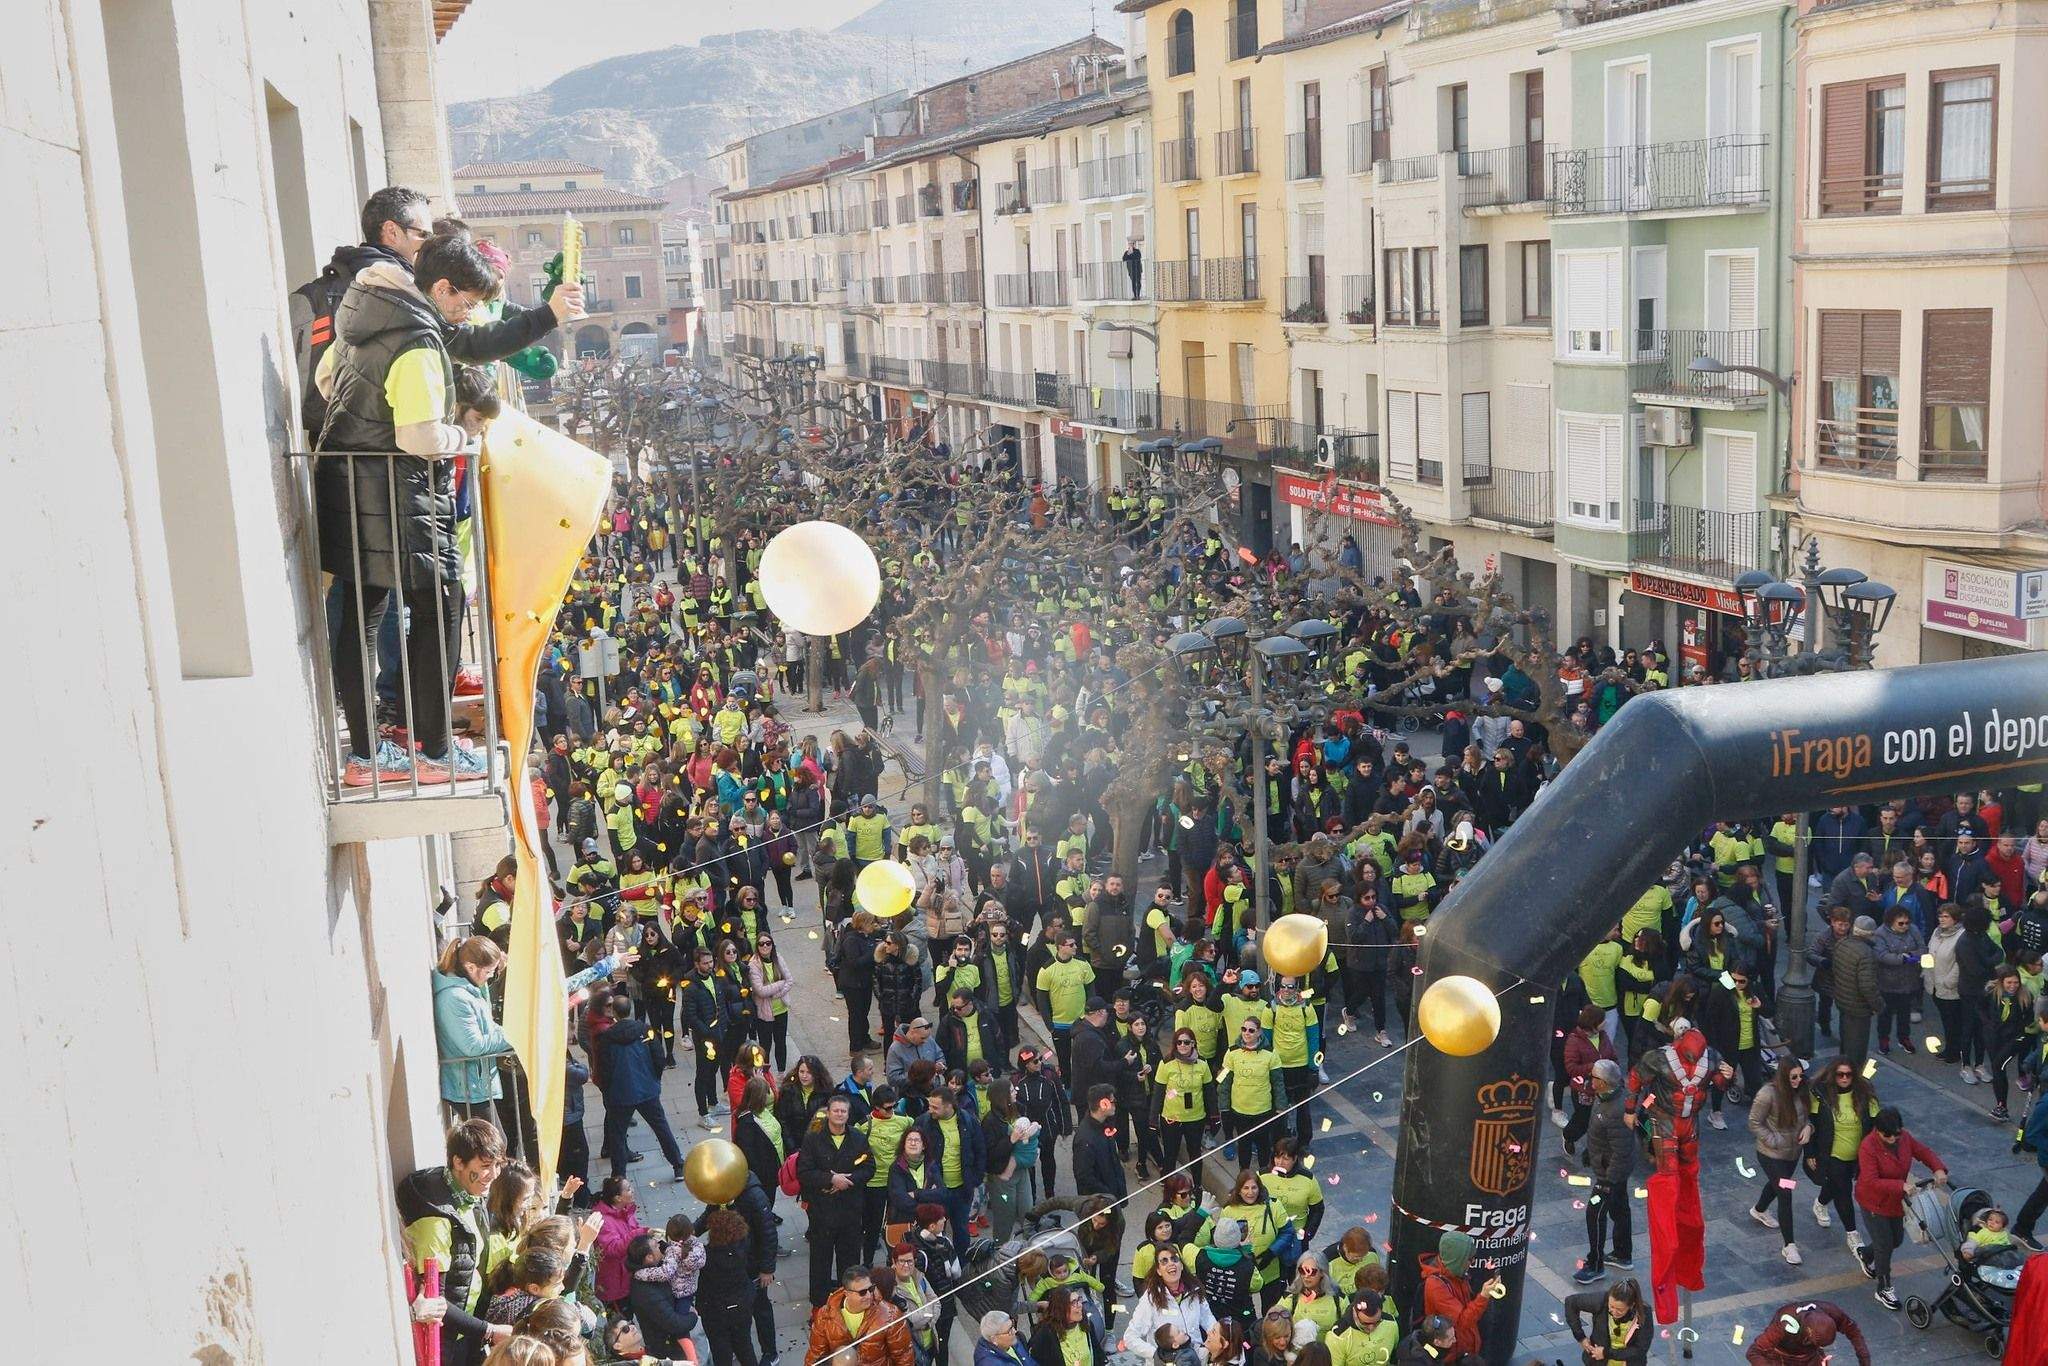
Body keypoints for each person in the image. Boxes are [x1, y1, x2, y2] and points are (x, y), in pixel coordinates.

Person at [316, 233, 502, 786]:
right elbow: (419, 435)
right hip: (399, 495)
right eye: (466, 303)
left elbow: (327, 380)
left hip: (347, 480)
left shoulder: (363, 312)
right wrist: (459, 438)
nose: (466, 316)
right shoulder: (418, 342)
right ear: (441, 287)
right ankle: (435, 751)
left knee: (360, 615)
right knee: (440, 609)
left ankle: (368, 755)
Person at [399, 1119, 512, 1366]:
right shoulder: (434, 1217)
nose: (493, 1175)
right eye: (485, 1166)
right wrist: (489, 1330)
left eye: (498, 1166)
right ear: (458, 1162)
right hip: (445, 1343)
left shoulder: (471, 1195)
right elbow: (435, 1301)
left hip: (467, 1334)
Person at [1855, 1105, 1948, 1309]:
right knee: (1885, 1245)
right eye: (1887, 1137)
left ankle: (1866, 1254)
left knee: (1896, 1239)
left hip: (1895, 1200)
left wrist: (1938, 1168)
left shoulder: (1903, 1137)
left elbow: (1922, 1151)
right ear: (1878, 1131)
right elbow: (1870, 1180)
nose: (1893, 1140)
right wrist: (1901, 1185)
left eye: (1895, 1135)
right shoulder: (1868, 1147)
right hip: (1873, 1201)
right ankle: (1884, 1288)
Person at [594, 998, 688, 1183]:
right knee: (661, 1128)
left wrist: (607, 1089)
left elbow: (603, 1068)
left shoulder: (606, 1038)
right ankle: (678, 1165)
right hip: (646, 1089)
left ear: (614, 1012)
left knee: (618, 1137)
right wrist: (654, 1079)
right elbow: (658, 1056)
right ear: (629, 1010)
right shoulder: (644, 1030)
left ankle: (619, 1178)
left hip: (620, 1094)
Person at [798, 1093, 872, 1306]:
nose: (839, 1114)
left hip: (850, 1211)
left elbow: (869, 1168)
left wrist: (848, 1181)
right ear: (828, 1113)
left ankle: (848, 1300)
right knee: (820, 1260)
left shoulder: (858, 1138)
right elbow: (804, 1172)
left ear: (848, 1115)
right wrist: (830, 1179)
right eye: (836, 1110)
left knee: (849, 1260)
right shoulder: (813, 1139)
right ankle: (819, 1305)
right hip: (822, 1211)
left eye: (843, 1111)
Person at [1746, 1055, 1812, 1265]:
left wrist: (1809, 1128)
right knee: (1785, 1190)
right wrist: (1773, 1139)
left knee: (1777, 1185)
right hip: (1771, 1154)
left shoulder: (1802, 1090)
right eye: (1793, 1077)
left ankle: (1759, 1209)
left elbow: (1809, 1116)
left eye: (1800, 1076)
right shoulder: (1768, 1094)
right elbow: (1754, 1122)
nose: (1798, 1080)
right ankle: (1789, 1245)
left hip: (1792, 1153)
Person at [1577, 1058, 1635, 1282]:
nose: (1590, 1079)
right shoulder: (1605, 1098)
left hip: (1610, 1174)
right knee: (1620, 1209)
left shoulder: (1616, 1110)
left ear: (1604, 1082)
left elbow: (1621, 1149)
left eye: (1594, 1077)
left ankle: (1596, 1264)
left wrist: (1607, 1182)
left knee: (1595, 1214)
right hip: (1609, 1167)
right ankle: (1622, 1253)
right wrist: (1589, 1152)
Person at [913, 1084, 986, 1246]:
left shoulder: (968, 1121)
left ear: (948, 1106)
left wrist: (976, 1179)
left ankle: (961, 1266)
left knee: (961, 1230)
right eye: (929, 1105)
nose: (930, 1110)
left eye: (935, 1107)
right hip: (936, 1191)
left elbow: (980, 1150)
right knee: (935, 1232)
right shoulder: (923, 1122)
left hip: (962, 1189)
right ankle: (940, 1267)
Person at [803, 1267, 914, 1366]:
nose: (869, 1296)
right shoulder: (825, 1315)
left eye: (871, 1289)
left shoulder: (890, 1315)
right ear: (847, 1293)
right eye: (862, 1292)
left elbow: (904, 1357)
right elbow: (815, 1355)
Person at [1415, 1232, 1496, 1359]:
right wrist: (1483, 1296)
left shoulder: (1455, 1273)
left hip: (1462, 1348)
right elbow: (1462, 1322)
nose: (1472, 1262)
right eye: (1469, 1259)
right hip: (1452, 1356)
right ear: (1457, 1259)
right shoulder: (1436, 1286)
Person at [1742, 1300, 1872, 1365]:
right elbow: (1753, 1352)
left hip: (1810, 1357)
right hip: (1779, 1358)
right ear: (1807, 1336)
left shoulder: (1829, 1311)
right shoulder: (1785, 1323)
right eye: (1818, 1344)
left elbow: (1853, 1331)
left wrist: (1864, 1358)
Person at [1562, 1278, 1648, 1366]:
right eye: (1611, 1306)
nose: (1613, 1312)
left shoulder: (1643, 1313)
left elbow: (1640, 1349)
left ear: (1632, 1305)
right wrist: (1580, 1337)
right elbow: (1571, 1302)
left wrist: (1605, 1353)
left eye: (1620, 1310)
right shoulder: (1601, 1300)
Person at [1072, 1083, 1128, 1202]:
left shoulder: (1105, 1126)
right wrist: (1108, 1194)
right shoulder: (1085, 1138)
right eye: (1113, 1101)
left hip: (1110, 1197)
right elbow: (1084, 1176)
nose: (1115, 1104)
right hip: (1098, 1204)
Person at [1029, 1284, 1108, 1366]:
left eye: (1079, 1299)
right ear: (1060, 1308)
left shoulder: (1085, 1323)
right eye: (1074, 1302)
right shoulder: (1046, 1333)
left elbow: (1097, 1352)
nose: (1080, 1305)